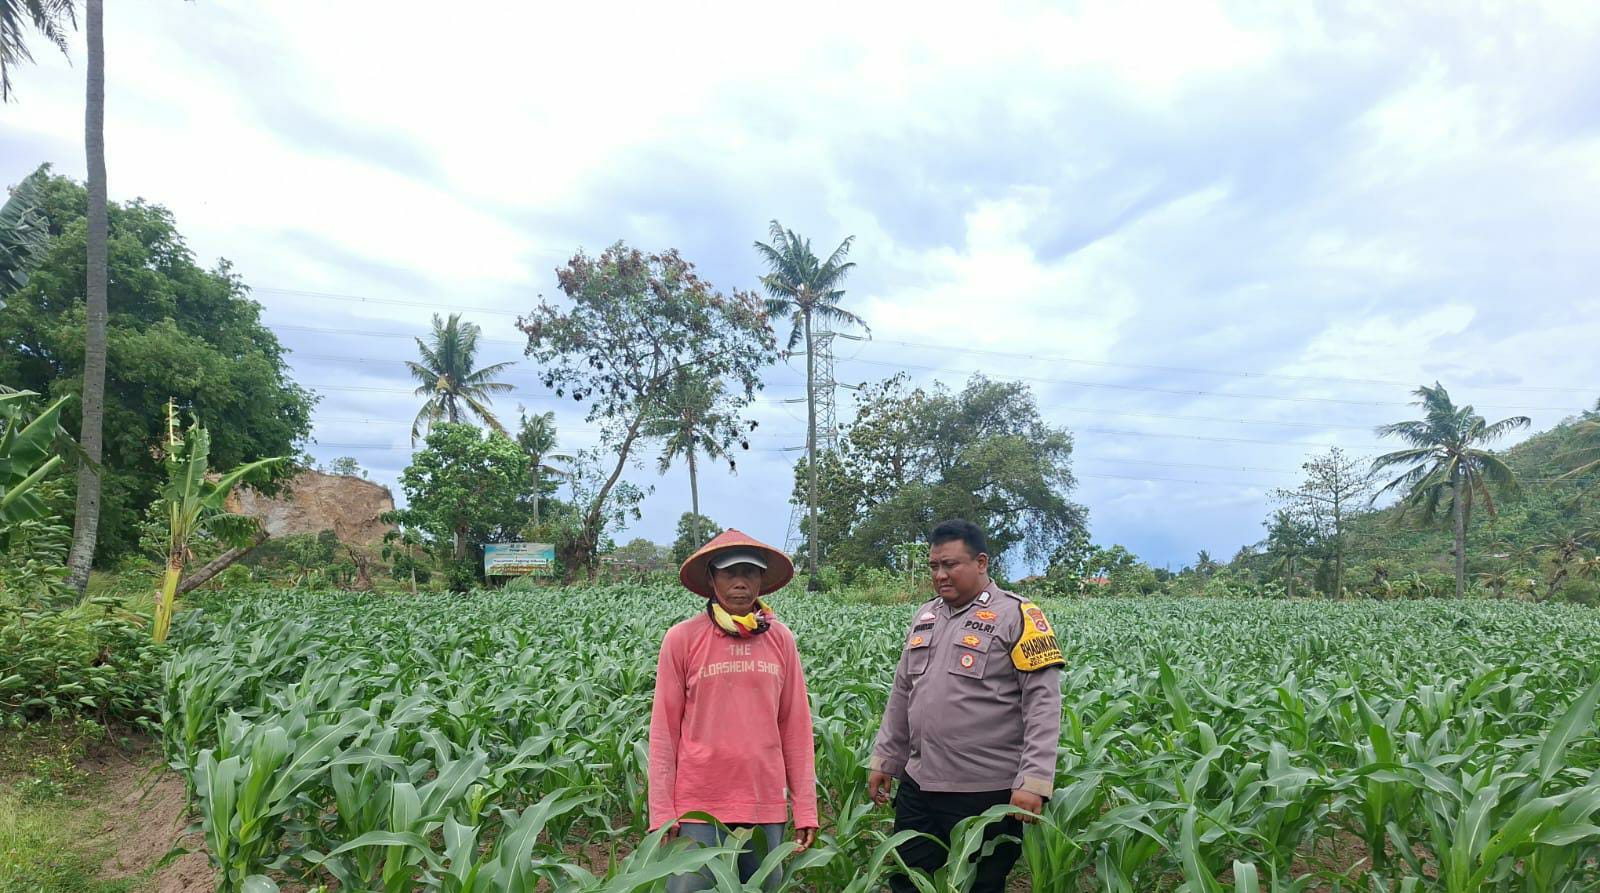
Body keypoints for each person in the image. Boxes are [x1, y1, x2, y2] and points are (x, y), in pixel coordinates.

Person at [867, 518, 1065, 893]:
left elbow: (1043, 704)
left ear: (981, 562)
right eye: (934, 566)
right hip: (919, 784)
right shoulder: (925, 616)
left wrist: (1034, 781)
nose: (940, 575)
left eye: (950, 564)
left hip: (985, 793)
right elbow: (902, 692)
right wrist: (885, 759)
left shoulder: (1019, 616)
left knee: (980, 885)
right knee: (909, 881)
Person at [649, 528, 819, 893]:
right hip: (698, 806)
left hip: (764, 802)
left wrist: (806, 807)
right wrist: (662, 812)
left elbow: (795, 727)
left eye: (750, 572)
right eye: (729, 573)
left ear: (761, 580)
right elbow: (664, 731)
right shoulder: (682, 639)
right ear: (712, 579)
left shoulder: (781, 639)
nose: (740, 582)